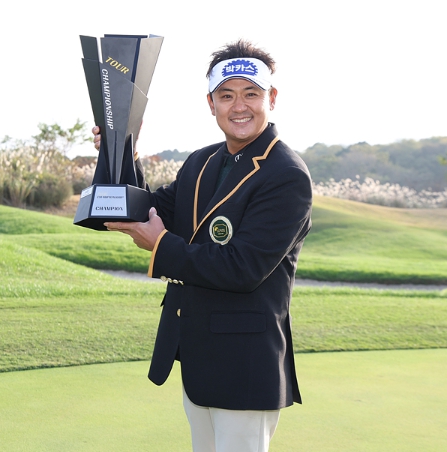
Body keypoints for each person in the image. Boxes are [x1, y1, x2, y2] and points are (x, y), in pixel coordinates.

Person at [95, 39, 312, 452]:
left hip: (246, 366)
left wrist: (160, 244)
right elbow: (150, 209)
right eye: (226, 96)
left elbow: (241, 268)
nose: (239, 106)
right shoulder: (202, 161)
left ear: (272, 99)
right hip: (198, 355)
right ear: (211, 104)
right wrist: (122, 151)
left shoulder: (287, 175)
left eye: (251, 94)